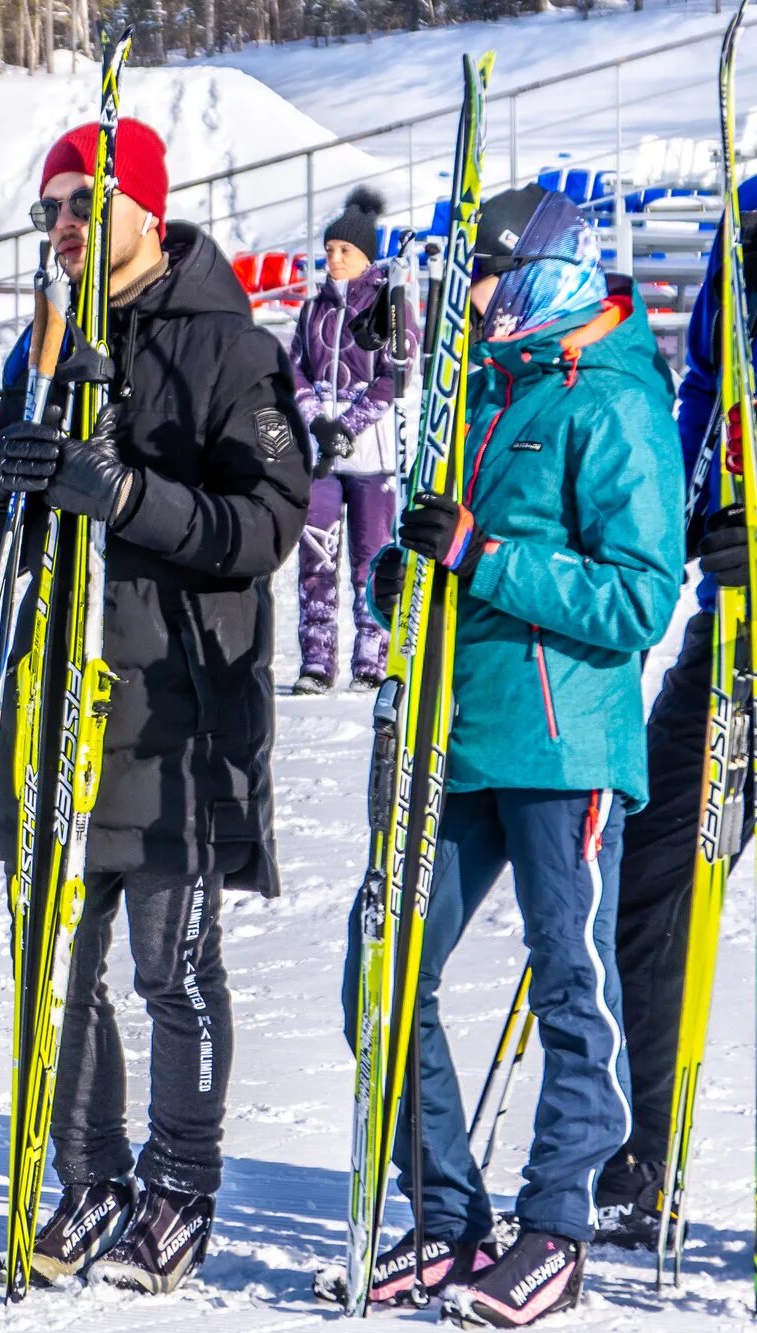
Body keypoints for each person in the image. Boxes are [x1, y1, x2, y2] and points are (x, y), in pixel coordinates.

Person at [0, 118, 310, 1295]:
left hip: (175, 698)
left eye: (84, 204)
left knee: (169, 964)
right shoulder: (45, 343)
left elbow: (264, 527)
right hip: (54, 695)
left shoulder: (230, 349)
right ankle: (90, 1172)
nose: (62, 227)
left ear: (145, 211)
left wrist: (127, 494)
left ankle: (178, 1182)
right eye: (49, 207)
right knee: (55, 962)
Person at [345, 185, 682, 1326]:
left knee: (569, 981)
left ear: (543, 270)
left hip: (563, 739)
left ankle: (557, 1226)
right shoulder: (492, 393)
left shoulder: (614, 405)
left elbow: (637, 599)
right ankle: (446, 1217)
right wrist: (411, 573)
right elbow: (443, 553)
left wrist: (480, 558)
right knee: (378, 969)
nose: (466, 300)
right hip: (459, 730)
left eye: (481, 277)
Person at [593, 173, 757, 1248]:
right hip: (733, 629)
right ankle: (646, 1154)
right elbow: (706, 396)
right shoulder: (743, 222)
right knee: (651, 877)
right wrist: (704, 505)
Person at [288, 186, 406, 695]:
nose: (333, 258)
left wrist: (349, 427)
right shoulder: (313, 309)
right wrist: (317, 422)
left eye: (344, 250)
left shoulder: (389, 305)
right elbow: (293, 368)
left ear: (365, 256)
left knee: (369, 556)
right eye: (329, 249)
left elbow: (394, 377)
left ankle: (371, 658)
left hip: (371, 457)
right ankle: (316, 659)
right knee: (316, 553)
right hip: (322, 458)